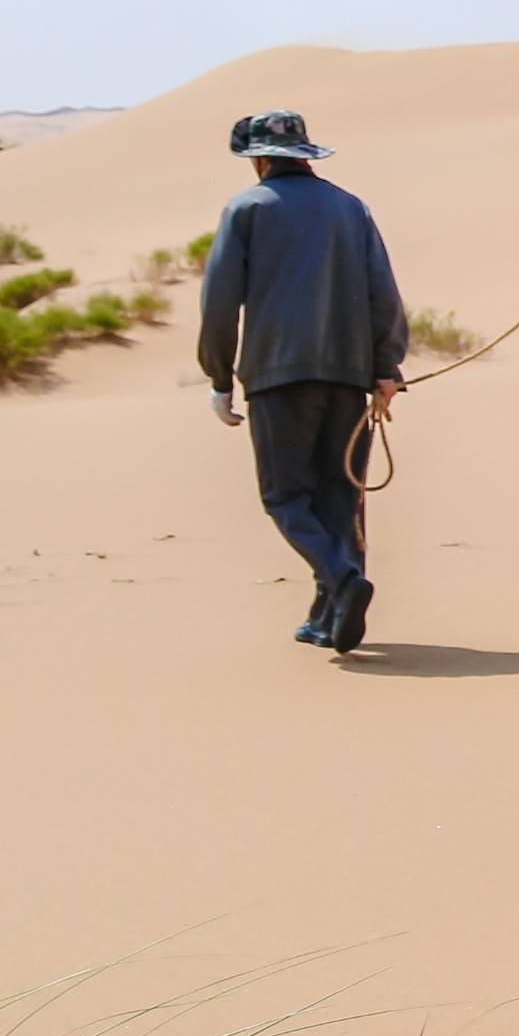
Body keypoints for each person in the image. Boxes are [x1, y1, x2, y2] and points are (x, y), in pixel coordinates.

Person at [198, 110, 409, 653]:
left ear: (261, 159)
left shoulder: (246, 209)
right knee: (339, 495)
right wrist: (386, 367)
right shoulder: (349, 208)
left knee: (286, 496)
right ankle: (330, 615)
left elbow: (220, 305)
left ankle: (341, 581)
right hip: (348, 377)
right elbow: (382, 291)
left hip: (276, 376)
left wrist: (220, 378)